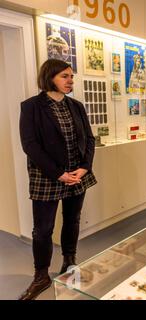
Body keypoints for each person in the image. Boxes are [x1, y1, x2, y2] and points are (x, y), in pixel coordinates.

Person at [18, 59, 97, 300]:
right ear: (50, 77)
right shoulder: (31, 106)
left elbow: (89, 140)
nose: (70, 80)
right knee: (43, 229)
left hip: (77, 176)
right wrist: (58, 173)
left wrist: (84, 168)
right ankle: (41, 275)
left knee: (72, 221)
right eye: (65, 76)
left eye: (71, 76)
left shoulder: (76, 106)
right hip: (48, 176)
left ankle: (69, 262)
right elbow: (30, 145)